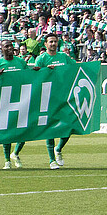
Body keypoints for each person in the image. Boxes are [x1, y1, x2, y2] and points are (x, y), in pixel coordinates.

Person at [35, 33, 77, 168]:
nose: (53, 44)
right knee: (50, 128)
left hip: (64, 96)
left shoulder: (63, 57)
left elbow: (75, 68)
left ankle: (58, 148)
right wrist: (46, 71)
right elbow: (35, 77)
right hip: (48, 97)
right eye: (50, 42)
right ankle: (51, 160)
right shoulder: (41, 59)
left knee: (70, 126)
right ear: (45, 44)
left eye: (55, 41)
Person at [0, 40, 31, 169]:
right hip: (5, 100)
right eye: (6, 46)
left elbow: (28, 78)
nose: (10, 48)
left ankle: (15, 153)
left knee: (24, 130)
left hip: (21, 99)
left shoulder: (21, 62)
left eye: (11, 46)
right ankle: (7, 160)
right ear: (1, 49)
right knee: (6, 131)